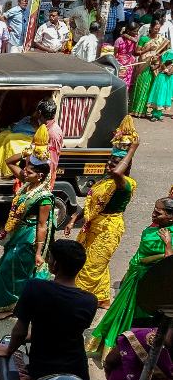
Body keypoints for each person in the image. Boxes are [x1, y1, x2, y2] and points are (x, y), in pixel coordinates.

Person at [0, 239, 97, 380]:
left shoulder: (36, 287)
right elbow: (67, 330)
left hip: (43, 370)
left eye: (50, 257)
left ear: (55, 264)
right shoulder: (90, 301)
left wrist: (8, 350)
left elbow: (20, 331)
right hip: (78, 371)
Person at [86, 198, 173, 359]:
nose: (153, 214)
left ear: (170, 217)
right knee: (120, 311)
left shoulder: (170, 235)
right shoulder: (153, 229)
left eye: (158, 213)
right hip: (135, 276)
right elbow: (140, 254)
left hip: (149, 282)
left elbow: (169, 263)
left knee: (137, 316)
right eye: (154, 209)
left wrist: (167, 244)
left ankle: (131, 351)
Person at [0, 126, 55, 320]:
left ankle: (10, 305)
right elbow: (9, 161)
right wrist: (29, 151)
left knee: (14, 269)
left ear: (40, 175)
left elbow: (42, 225)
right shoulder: (28, 183)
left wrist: (39, 252)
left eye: (30, 171)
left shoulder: (44, 197)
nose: (24, 172)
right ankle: (6, 301)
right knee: (9, 265)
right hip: (19, 232)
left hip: (30, 236)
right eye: (25, 169)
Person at [66, 121, 138, 308]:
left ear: (125, 166)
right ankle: (101, 297)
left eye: (114, 163)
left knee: (91, 266)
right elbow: (93, 202)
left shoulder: (125, 184)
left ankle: (75, 300)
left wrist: (132, 150)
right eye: (109, 161)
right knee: (96, 262)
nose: (109, 165)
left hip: (108, 230)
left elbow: (116, 173)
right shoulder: (103, 181)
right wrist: (74, 217)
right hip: (94, 225)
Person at [130, 19, 170, 117]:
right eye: (155, 29)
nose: (157, 31)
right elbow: (135, 52)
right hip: (143, 65)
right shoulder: (144, 39)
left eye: (158, 29)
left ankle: (143, 111)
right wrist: (147, 50)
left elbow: (165, 51)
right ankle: (135, 110)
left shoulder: (162, 39)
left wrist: (158, 57)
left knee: (148, 88)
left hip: (154, 67)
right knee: (140, 86)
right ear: (150, 28)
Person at [147, 50, 173, 121]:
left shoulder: (170, 65)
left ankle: (157, 114)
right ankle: (155, 114)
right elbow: (153, 68)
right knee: (157, 95)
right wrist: (152, 63)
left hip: (166, 81)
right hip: (160, 80)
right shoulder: (162, 63)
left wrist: (163, 66)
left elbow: (169, 73)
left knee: (161, 96)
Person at [115, 22, 140, 88]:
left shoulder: (133, 40)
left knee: (127, 83)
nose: (136, 33)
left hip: (129, 64)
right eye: (135, 31)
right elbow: (114, 54)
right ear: (128, 31)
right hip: (120, 64)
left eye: (137, 31)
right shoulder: (119, 40)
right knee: (119, 82)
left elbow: (134, 52)